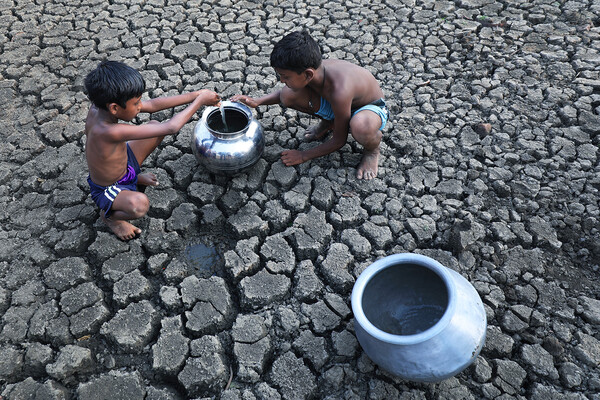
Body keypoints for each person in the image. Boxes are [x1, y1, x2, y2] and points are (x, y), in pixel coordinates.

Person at [84, 60, 220, 240]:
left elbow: (154, 105)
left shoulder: (99, 107)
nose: (140, 106)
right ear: (115, 108)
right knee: (139, 205)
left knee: (154, 127)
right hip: (110, 187)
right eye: (136, 102)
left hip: (125, 166)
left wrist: (197, 94)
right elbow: (171, 127)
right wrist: (200, 101)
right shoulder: (108, 131)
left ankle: (133, 178)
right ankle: (110, 217)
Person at [231, 30, 389, 180]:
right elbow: (282, 94)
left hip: (369, 108)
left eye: (285, 76)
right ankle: (329, 123)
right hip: (338, 106)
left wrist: (303, 155)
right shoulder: (314, 71)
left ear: (308, 74)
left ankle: (372, 150)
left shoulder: (340, 90)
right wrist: (257, 101)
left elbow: (339, 141)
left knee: (361, 127)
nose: (281, 81)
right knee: (287, 95)